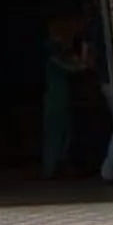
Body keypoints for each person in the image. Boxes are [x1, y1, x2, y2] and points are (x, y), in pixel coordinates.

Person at [40, 24, 93, 176]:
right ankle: (50, 169)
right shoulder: (54, 61)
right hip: (55, 105)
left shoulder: (58, 60)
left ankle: (58, 166)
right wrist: (85, 59)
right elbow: (75, 68)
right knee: (55, 137)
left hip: (62, 103)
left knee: (65, 135)